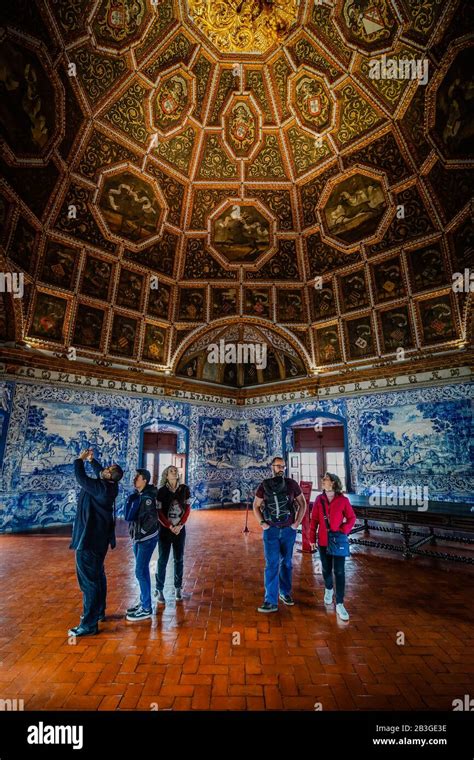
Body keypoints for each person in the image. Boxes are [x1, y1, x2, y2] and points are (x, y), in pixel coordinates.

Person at [68, 449, 123, 637]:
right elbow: (102, 473)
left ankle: (89, 624)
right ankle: (99, 611)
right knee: (98, 576)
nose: (104, 469)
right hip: (99, 540)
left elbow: (81, 478)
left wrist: (80, 460)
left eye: (107, 469)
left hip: (88, 540)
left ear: (109, 476)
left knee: (89, 582)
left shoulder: (100, 487)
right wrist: (93, 461)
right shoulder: (111, 486)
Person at [253, 456, 307, 613]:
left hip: (288, 530)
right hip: (271, 531)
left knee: (287, 562)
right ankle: (270, 600)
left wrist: (296, 524)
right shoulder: (264, 486)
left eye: (283, 466)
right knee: (272, 564)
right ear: (272, 467)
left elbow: (302, 503)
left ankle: (285, 593)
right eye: (278, 466)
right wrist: (263, 524)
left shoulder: (291, 484)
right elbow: (256, 505)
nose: (281, 468)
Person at [309, 472, 356, 621]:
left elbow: (351, 518)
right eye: (323, 479)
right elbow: (314, 520)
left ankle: (340, 603)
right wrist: (311, 539)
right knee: (326, 568)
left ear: (334, 483)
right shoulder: (319, 499)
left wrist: (343, 530)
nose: (323, 481)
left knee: (340, 572)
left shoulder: (343, 500)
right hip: (323, 540)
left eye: (326, 479)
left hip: (338, 541)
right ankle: (329, 588)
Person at [125, 469, 159, 622]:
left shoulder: (147, 498)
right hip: (139, 538)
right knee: (143, 570)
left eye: (137, 477)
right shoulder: (140, 495)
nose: (134, 479)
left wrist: (142, 532)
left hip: (146, 539)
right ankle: (144, 602)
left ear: (144, 480)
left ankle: (146, 608)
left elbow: (152, 519)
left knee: (139, 571)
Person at [155, 465, 191, 603]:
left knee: (179, 559)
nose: (174, 471)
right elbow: (159, 512)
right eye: (171, 470)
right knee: (163, 560)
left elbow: (187, 509)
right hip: (165, 530)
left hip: (180, 530)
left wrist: (180, 525)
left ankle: (177, 588)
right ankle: (159, 589)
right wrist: (170, 526)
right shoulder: (161, 491)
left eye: (176, 470)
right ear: (166, 475)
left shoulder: (184, 489)